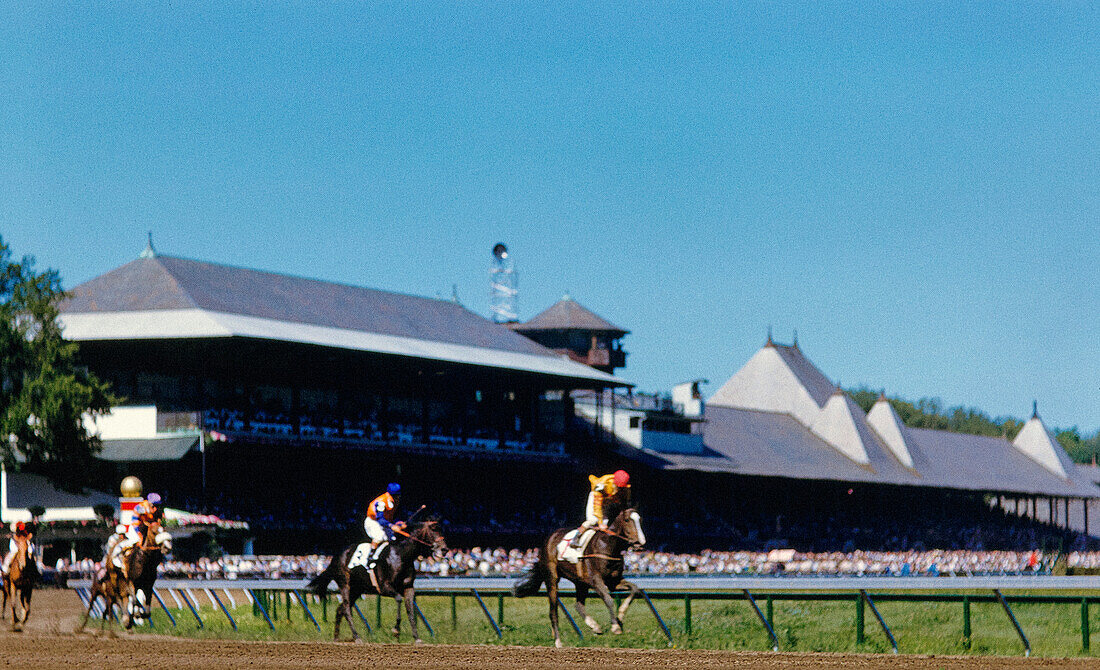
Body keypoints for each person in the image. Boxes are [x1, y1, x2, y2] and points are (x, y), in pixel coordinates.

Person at [570, 470, 631, 548]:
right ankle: (576, 538)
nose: (621, 489)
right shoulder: (603, 485)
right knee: (593, 520)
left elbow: (624, 503)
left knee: (606, 523)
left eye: (622, 488)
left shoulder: (625, 488)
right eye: (619, 487)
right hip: (596, 498)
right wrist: (600, 522)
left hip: (607, 500)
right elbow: (597, 506)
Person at [111, 492, 162, 575]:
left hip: (148, 530)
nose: (156, 509)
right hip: (136, 528)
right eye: (154, 506)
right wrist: (139, 535)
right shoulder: (140, 507)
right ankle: (119, 554)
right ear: (149, 503)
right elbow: (136, 523)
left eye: (157, 506)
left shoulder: (158, 511)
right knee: (136, 540)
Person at [364, 483, 404, 556]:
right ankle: (370, 558)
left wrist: (399, 523)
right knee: (379, 537)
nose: (398, 497)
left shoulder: (395, 501)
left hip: (385, 523)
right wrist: (391, 525)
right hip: (373, 522)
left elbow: (394, 515)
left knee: (393, 538)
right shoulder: (381, 502)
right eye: (395, 496)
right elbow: (380, 519)